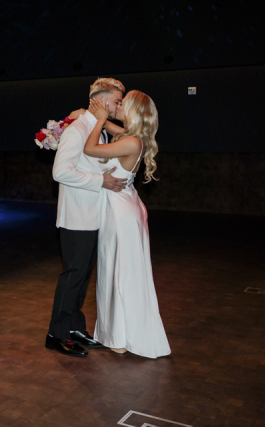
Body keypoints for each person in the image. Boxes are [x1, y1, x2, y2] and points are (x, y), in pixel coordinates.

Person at [83, 91, 171, 358]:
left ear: (132, 110)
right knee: (116, 271)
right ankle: (117, 334)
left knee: (120, 273)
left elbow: (89, 149)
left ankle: (121, 337)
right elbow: (112, 127)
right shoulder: (129, 136)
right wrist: (88, 115)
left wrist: (97, 120)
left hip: (121, 213)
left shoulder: (131, 142)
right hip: (121, 207)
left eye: (122, 103)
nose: (117, 105)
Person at [46, 78, 127, 358]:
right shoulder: (78, 130)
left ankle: (74, 328)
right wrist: (100, 181)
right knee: (73, 275)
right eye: (117, 101)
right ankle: (56, 334)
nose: (119, 105)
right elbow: (60, 172)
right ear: (103, 101)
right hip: (77, 216)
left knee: (82, 276)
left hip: (94, 215)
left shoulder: (97, 129)